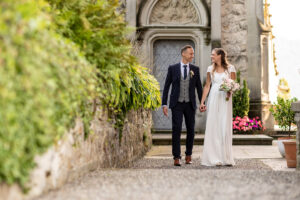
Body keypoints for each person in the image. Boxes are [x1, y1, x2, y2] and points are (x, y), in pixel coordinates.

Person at [162, 45, 203, 166]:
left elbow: (199, 87)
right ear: (183, 54)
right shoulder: (172, 68)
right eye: (191, 53)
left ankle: (188, 155)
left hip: (190, 104)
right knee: (176, 129)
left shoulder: (195, 69)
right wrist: (164, 104)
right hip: (177, 104)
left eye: (193, 53)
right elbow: (166, 87)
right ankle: (176, 157)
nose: (192, 56)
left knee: (191, 130)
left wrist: (202, 102)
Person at [200, 48, 236, 166]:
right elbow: (207, 86)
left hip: (225, 99)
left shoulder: (230, 68)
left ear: (220, 56)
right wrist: (202, 102)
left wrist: (230, 90)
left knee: (224, 126)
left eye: (213, 55)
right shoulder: (210, 69)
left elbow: (233, 84)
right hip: (214, 97)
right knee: (213, 126)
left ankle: (226, 158)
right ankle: (214, 158)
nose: (211, 57)